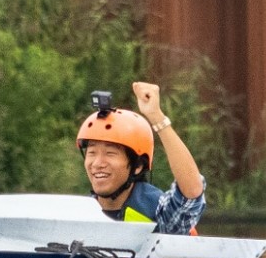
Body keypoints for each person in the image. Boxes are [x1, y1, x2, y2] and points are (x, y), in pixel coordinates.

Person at [77, 81, 206, 234]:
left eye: (110, 153)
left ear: (137, 166)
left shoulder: (158, 213)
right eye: (92, 153)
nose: (97, 163)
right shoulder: (78, 214)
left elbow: (191, 192)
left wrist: (157, 117)